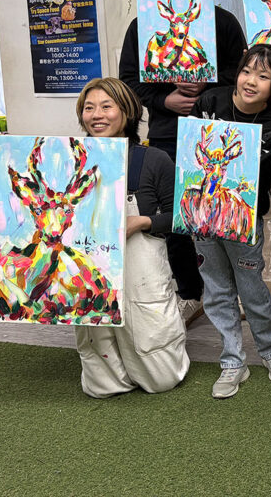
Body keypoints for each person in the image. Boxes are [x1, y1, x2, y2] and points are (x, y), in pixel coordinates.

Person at [118, 0, 247, 324]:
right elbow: (128, 82)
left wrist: (206, 88)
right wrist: (165, 100)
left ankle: (233, 294)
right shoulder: (141, 27)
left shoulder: (223, 22)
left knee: (222, 213)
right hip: (166, 136)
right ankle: (191, 293)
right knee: (175, 217)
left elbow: (242, 76)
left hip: (216, 134)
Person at [72, 77, 189, 397]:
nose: (97, 115)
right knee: (101, 383)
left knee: (162, 377)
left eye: (106, 106)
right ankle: (111, 374)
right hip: (90, 266)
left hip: (141, 267)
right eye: (89, 108)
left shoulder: (153, 159)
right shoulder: (70, 160)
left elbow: (183, 217)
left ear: (128, 112)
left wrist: (142, 222)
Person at [191, 45, 271, 398]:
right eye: (247, 71)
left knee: (251, 287)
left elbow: (263, 178)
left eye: (263, 76)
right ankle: (232, 361)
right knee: (216, 289)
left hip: (243, 221)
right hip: (202, 217)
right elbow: (189, 151)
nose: (251, 81)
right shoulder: (209, 102)